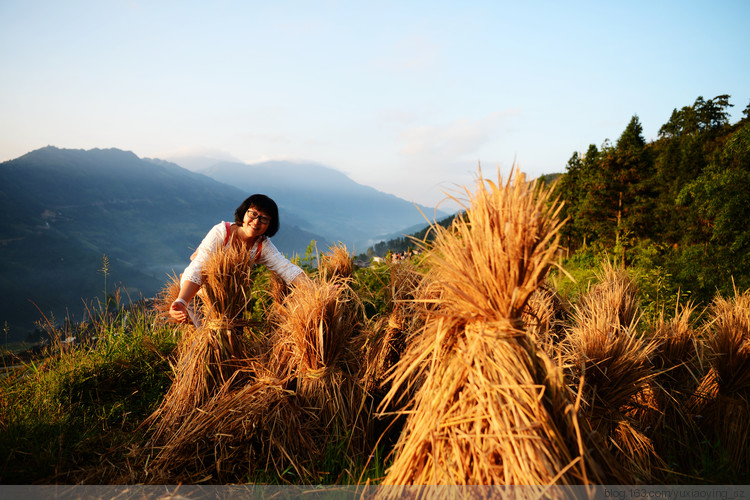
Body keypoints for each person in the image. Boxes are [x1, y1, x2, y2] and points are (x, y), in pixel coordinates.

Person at [169, 194, 308, 326]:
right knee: (210, 339)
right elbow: (198, 267)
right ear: (244, 213)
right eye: (253, 214)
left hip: (233, 299)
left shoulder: (262, 246)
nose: (256, 221)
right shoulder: (222, 233)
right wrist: (182, 301)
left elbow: (287, 269)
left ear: (269, 225)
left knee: (235, 339)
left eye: (264, 219)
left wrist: (317, 290)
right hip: (199, 294)